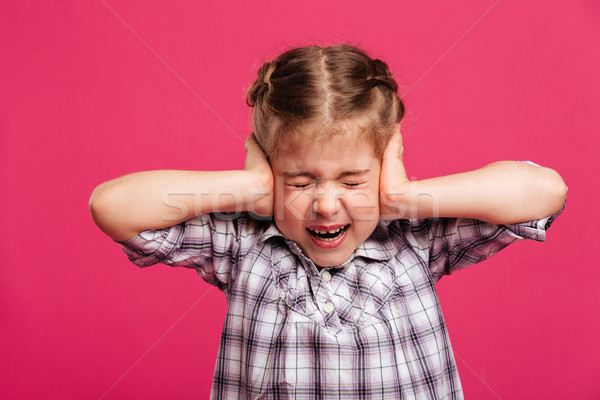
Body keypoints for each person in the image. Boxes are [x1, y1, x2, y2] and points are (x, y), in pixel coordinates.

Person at [89, 44, 567, 399]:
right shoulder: (242, 245)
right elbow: (113, 207)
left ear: (385, 165)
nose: (325, 204)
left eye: (353, 181)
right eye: (300, 181)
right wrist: (252, 188)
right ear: (271, 171)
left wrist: (403, 196)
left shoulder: (415, 239)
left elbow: (546, 192)